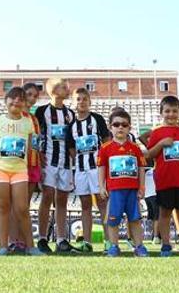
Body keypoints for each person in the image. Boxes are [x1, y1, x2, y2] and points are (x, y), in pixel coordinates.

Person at [144, 95, 179, 257]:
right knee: (165, 212)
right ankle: (166, 244)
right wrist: (161, 144)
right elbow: (150, 154)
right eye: (167, 111)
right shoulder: (156, 133)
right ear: (161, 113)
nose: (171, 114)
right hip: (164, 180)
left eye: (175, 111)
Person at [0, 87, 43, 256]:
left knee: (22, 208)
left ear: (24, 103)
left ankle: (31, 246)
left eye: (20, 99)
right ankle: (4, 247)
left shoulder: (28, 123)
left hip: (20, 170)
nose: (16, 101)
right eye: (12, 98)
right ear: (6, 101)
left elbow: (30, 148)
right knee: (3, 207)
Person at [97, 108, 148, 258]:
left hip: (132, 190)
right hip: (114, 191)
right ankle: (114, 246)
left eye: (124, 125)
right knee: (113, 219)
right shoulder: (105, 148)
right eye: (116, 124)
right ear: (110, 127)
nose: (120, 127)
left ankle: (139, 246)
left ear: (129, 127)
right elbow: (101, 168)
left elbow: (141, 168)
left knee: (135, 219)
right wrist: (101, 186)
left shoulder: (135, 148)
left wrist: (142, 187)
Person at [35, 78, 77, 253]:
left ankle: (61, 239)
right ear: (53, 90)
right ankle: (43, 238)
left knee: (62, 200)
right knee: (47, 196)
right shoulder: (42, 111)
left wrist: (75, 159)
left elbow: (72, 139)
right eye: (63, 86)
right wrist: (37, 155)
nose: (67, 89)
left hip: (66, 162)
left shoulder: (70, 114)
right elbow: (36, 135)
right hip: (48, 161)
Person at [68, 88, 111, 253]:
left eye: (85, 98)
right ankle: (87, 242)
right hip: (80, 170)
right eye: (78, 99)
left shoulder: (97, 119)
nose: (82, 102)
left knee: (102, 203)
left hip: (97, 169)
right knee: (85, 205)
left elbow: (106, 142)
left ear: (90, 101)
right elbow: (72, 149)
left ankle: (109, 241)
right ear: (74, 103)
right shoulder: (71, 126)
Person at [8, 82, 42, 252]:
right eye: (29, 94)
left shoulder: (34, 119)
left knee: (25, 205)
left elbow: (36, 143)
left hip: (33, 163)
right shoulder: (15, 117)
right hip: (17, 164)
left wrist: (40, 164)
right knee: (16, 205)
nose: (32, 99)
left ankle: (23, 240)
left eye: (35, 96)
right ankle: (13, 240)